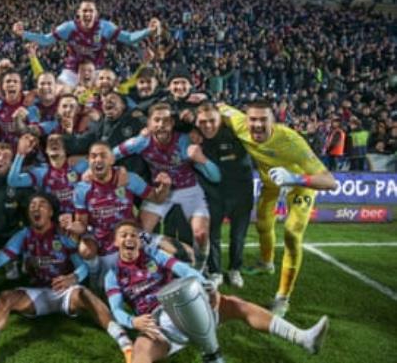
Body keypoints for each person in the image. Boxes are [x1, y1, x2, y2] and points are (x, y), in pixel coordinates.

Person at [105, 221, 329, 363]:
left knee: (236, 304)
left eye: (133, 235)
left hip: (186, 305)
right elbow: (115, 309)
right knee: (140, 353)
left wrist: (206, 285)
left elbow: (181, 268)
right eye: (123, 235)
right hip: (157, 325)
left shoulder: (154, 254)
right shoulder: (113, 274)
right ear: (116, 243)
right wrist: (132, 322)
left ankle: (303, 339)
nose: (129, 239)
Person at [0, 193, 134, 363]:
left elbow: (82, 267)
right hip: (37, 293)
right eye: (32, 205)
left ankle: (127, 346)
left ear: (51, 212)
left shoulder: (63, 235)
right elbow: (0, 260)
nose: (36, 208)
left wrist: (72, 278)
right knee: (6, 297)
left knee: (85, 295)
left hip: (65, 292)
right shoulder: (23, 236)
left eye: (41, 204)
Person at [218, 99, 337, 316]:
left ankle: (283, 298)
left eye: (264, 120)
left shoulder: (291, 141)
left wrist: (294, 178)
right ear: (246, 120)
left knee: (291, 233)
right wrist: (199, 98)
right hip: (271, 185)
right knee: (263, 224)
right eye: (253, 119)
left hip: (299, 185)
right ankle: (266, 263)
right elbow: (221, 107)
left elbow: (330, 181)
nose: (257, 125)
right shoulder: (239, 123)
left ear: (273, 120)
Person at [113, 103, 221, 272]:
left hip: (189, 189)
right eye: (156, 120)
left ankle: (199, 268)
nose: (161, 125)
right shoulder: (141, 142)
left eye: (166, 121)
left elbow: (216, 177)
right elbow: (114, 153)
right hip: (160, 192)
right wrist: (97, 168)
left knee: (200, 234)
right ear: (148, 124)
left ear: (172, 124)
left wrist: (202, 160)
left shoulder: (185, 141)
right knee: (139, 233)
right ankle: (151, 262)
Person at [64, 141, 172, 288]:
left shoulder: (129, 179)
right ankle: (94, 278)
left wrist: (164, 186)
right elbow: (82, 223)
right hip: (101, 239)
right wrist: (74, 227)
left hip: (130, 235)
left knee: (173, 250)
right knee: (86, 249)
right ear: (88, 161)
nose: (98, 160)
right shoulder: (82, 189)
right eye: (93, 156)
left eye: (103, 155)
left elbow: (156, 197)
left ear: (112, 160)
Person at [13, 0, 159, 87]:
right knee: (58, 91)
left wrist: (148, 30)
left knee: (110, 94)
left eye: (90, 11)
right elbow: (45, 40)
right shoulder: (68, 27)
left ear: (96, 14)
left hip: (96, 71)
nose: (87, 14)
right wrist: (23, 33)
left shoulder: (105, 27)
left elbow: (129, 38)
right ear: (79, 13)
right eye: (84, 11)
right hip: (72, 71)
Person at [195, 102, 253, 288]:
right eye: (203, 122)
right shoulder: (196, 138)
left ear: (221, 120)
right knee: (213, 235)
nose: (208, 125)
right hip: (214, 195)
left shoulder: (236, 134)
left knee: (238, 236)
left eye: (212, 120)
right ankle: (215, 271)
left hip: (241, 194)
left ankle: (235, 269)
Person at [8, 133, 88, 216]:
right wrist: (20, 154)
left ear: (65, 148)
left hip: (77, 218)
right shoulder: (41, 172)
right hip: (53, 220)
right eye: (50, 141)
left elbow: (99, 160)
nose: (54, 142)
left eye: (58, 140)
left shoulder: (77, 166)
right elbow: (13, 181)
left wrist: (81, 157)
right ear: (46, 150)